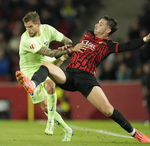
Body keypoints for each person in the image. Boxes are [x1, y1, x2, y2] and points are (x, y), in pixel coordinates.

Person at [16, 15, 150, 143]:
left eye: (101, 24)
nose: (97, 24)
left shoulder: (108, 45)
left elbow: (127, 46)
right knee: (46, 65)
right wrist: (67, 52)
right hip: (69, 75)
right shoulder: (88, 34)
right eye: (98, 22)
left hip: (87, 80)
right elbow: (75, 50)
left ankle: (134, 133)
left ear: (108, 30)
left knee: (107, 110)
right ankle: (32, 84)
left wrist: (145, 39)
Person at [15, 11, 85, 141]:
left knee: (50, 84)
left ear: (38, 24)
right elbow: (51, 53)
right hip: (29, 71)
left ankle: (51, 121)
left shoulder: (48, 29)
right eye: (26, 27)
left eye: (30, 27)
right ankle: (67, 130)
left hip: (45, 63)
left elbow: (67, 40)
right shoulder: (27, 40)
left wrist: (68, 45)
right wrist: (68, 51)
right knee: (45, 107)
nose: (28, 30)